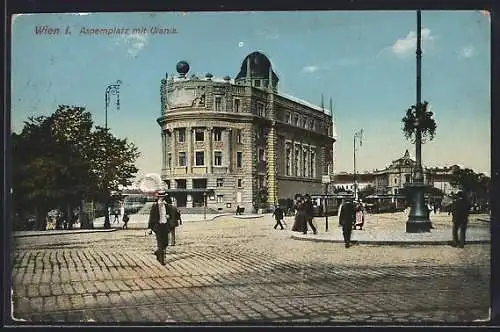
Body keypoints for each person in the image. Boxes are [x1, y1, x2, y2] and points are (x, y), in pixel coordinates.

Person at [148, 191, 175, 265]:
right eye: (161, 196)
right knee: (160, 243)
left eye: (163, 196)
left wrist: (169, 216)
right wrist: (149, 228)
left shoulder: (167, 206)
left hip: (165, 225)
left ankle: (158, 252)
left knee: (166, 243)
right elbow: (151, 217)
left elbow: (171, 215)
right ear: (158, 197)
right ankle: (162, 260)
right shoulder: (155, 206)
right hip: (158, 226)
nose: (162, 198)